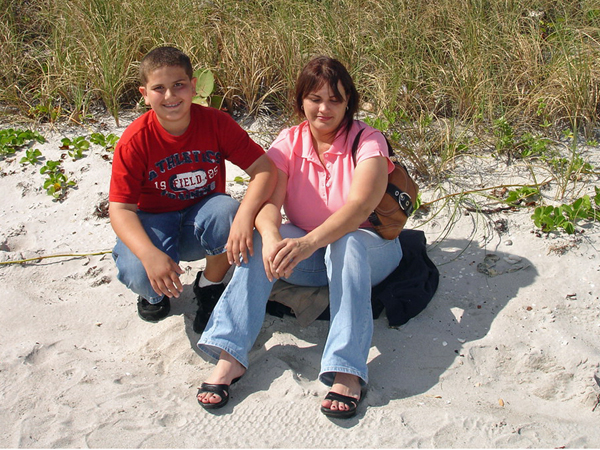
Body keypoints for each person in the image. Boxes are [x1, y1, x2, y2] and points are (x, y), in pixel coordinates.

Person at [196, 55, 403, 419]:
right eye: (315, 98)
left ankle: (347, 370)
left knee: (349, 240)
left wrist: (307, 243)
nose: (324, 109)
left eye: (335, 100)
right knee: (262, 239)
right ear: (301, 101)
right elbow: (268, 202)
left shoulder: (367, 141)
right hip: (313, 257)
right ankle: (230, 354)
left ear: (348, 103)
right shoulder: (289, 140)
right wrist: (274, 236)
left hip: (370, 250)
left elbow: (358, 209)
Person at [109, 46, 276, 331]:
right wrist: (149, 254)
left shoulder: (215, 123)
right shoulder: (135, 140)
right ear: (144, 94)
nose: (171, 96)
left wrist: (245, 218)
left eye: (179, 85)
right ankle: (154, 295)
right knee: (137, 271)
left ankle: (209, 285)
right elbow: (121, 209)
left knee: (228, 212)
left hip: (201, 217)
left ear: (194, 86)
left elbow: (265, 169)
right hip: (154, 221)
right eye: (159, 88)